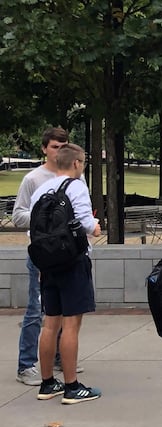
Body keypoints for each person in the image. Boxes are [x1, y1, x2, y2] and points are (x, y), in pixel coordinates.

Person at [12, 127, 84, 386]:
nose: (59, 151)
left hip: (69, 253)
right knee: (37, 310)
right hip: (43, 252)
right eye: (55, 146)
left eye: (64, 146)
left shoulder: (77, 178)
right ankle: (26, 364)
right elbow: (18, 214)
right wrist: (46, 220)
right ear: (44, 149)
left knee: (67, 311)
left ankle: (59, 359)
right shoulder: (33, 179)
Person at [31, 143, 101, 404]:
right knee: (71, 324)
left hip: (47, 262)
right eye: (82, 162)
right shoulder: (77, 187)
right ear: (75, 163)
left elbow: (33, 229)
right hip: (72, 261)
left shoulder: (41, 189)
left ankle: (48, 382)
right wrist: (95, 227)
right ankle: (72, 386)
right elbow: (84, 221)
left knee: (50, 323)